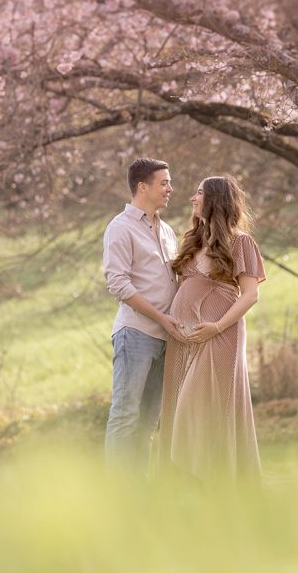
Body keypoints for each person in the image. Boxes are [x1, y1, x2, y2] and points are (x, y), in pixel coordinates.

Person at [158, 175, 265, 485]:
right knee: (179, 403)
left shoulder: (240, 241)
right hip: (184, 337)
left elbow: (250, 295)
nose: (192, 198)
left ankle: (211, 478)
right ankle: (191, 482)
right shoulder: (193, 240)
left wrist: (216, 326)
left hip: (219, 334)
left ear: (216, 200)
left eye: (199, 193)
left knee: (199, 406)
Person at [102, 157, 185, 473]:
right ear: (143, 187)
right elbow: (118, 283)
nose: (170, 189)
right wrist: (161, 318)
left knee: (149, 419)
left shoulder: (167, 230)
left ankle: (137, 489)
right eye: (164, 182)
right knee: (125, 414)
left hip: (166, 339)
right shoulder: (119, 228)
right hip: (136, 333)